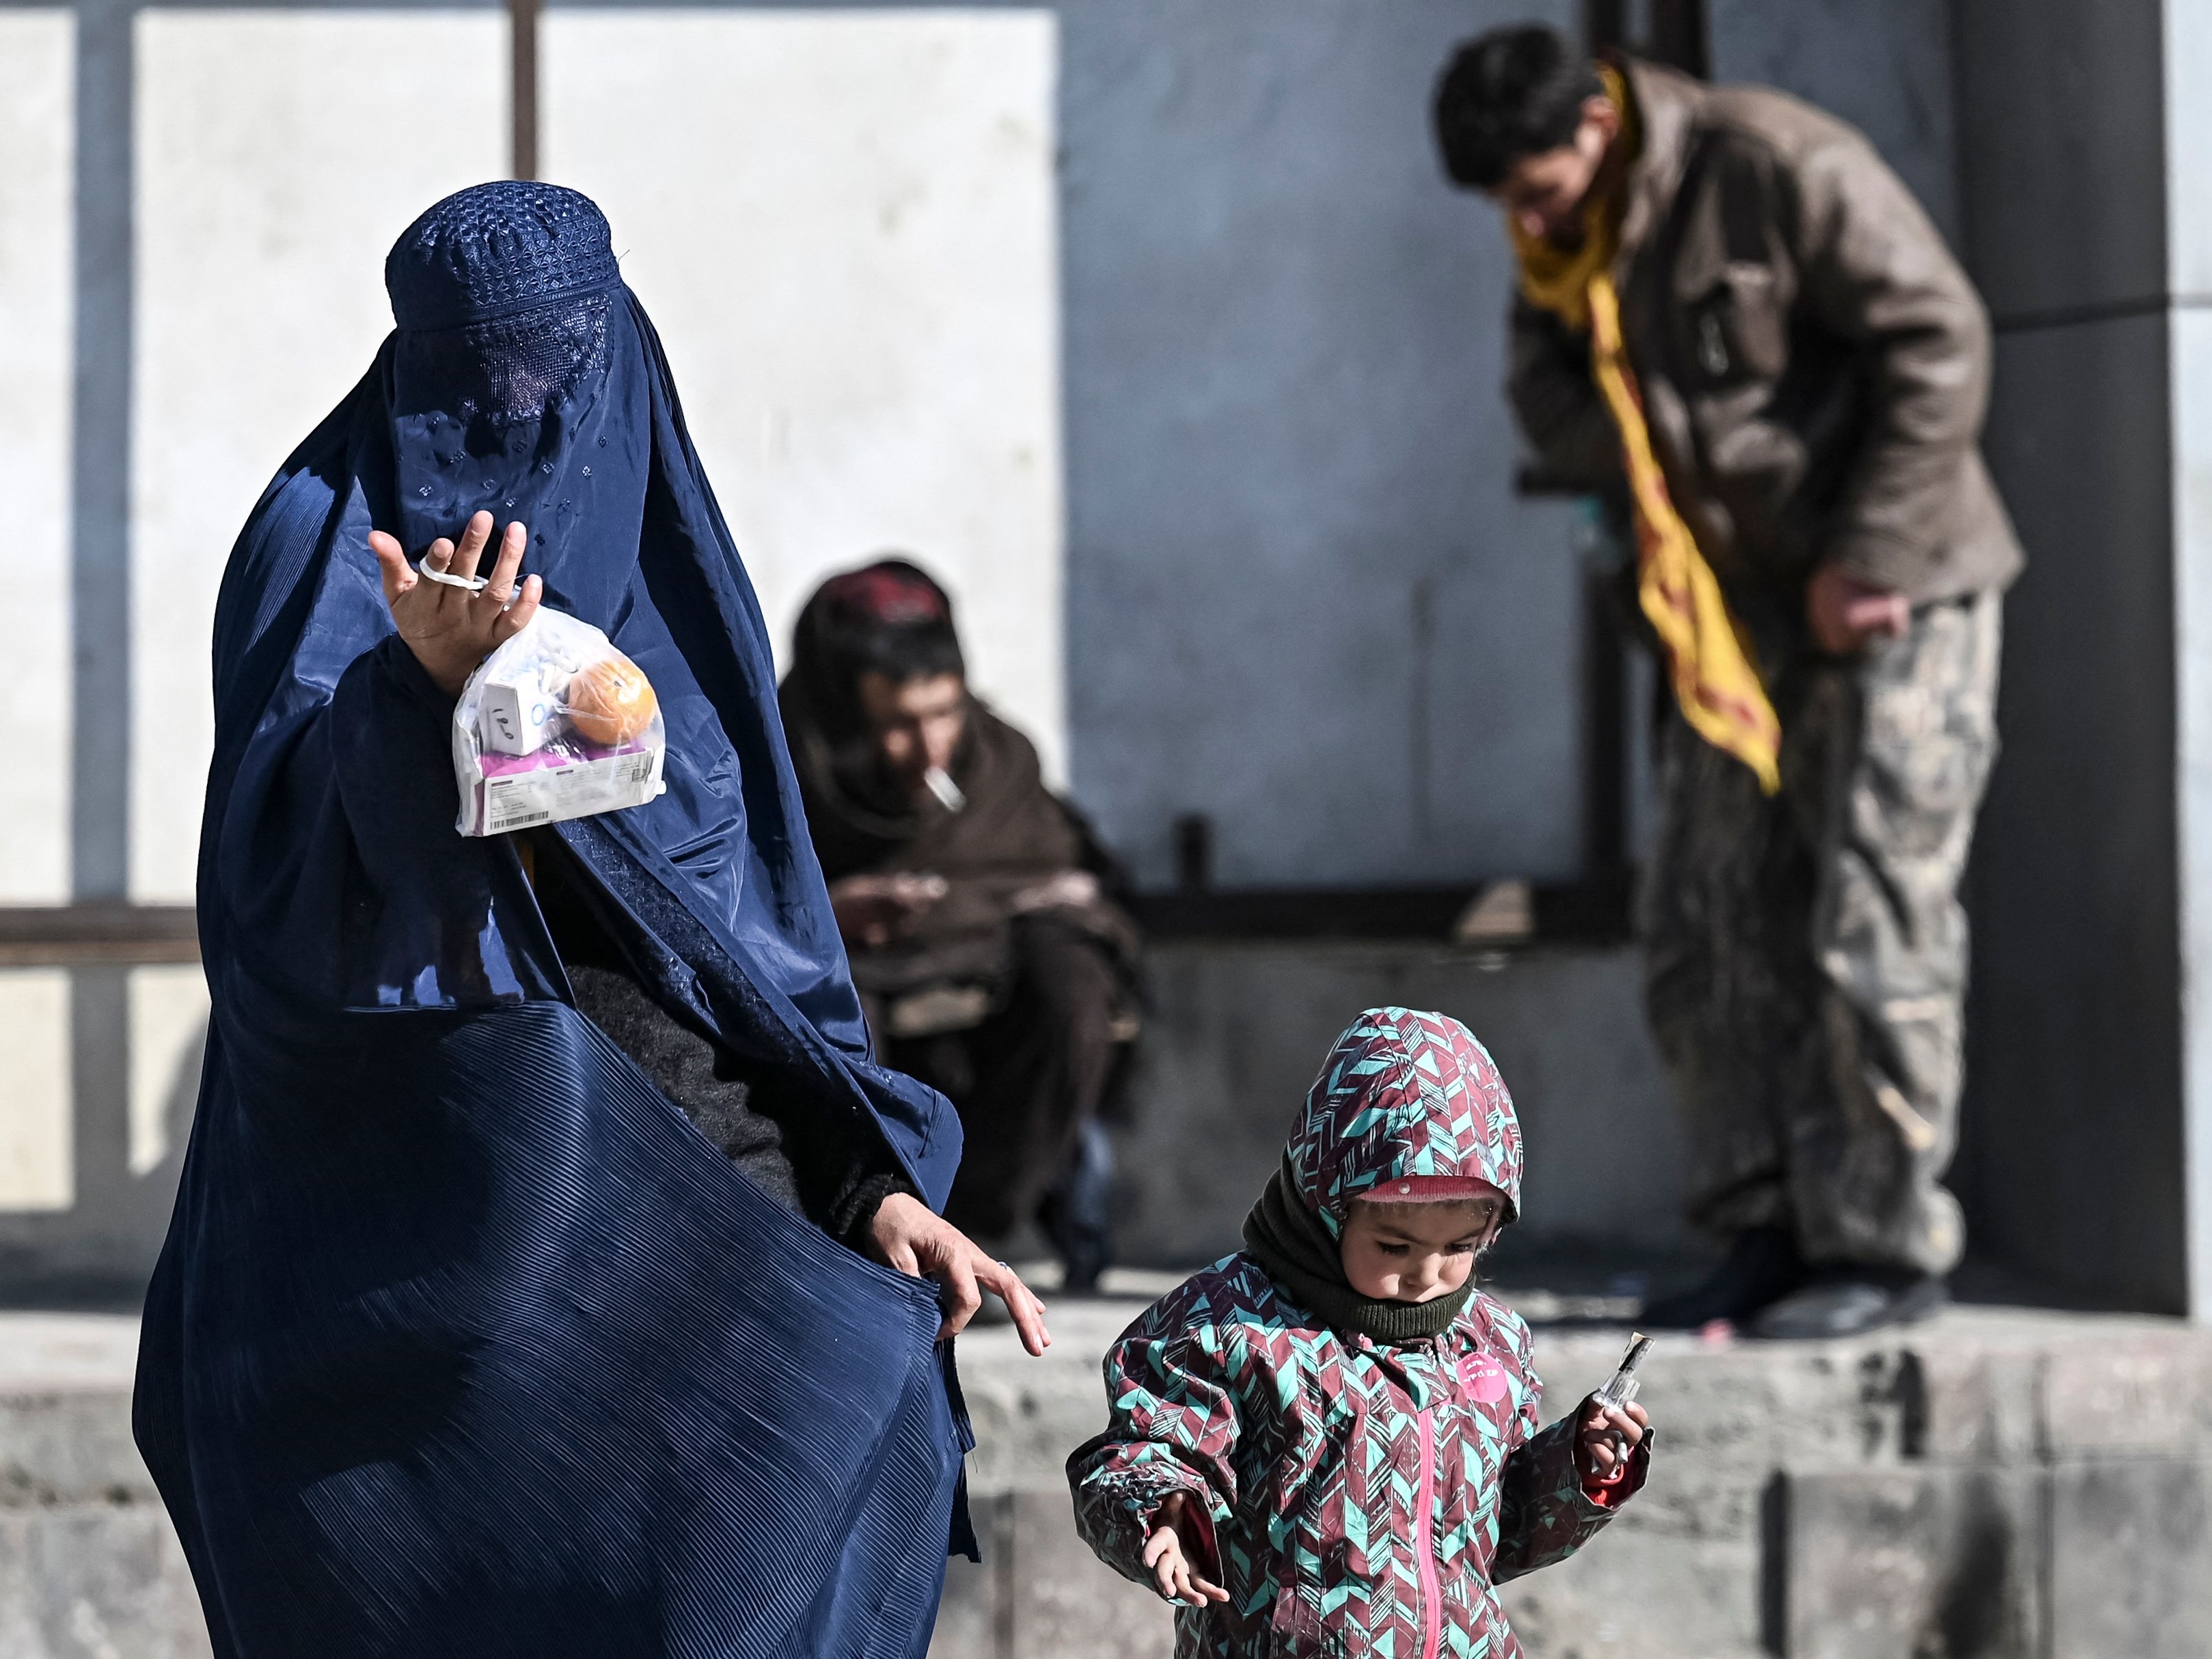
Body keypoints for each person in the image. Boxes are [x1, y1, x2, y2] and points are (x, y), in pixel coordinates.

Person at [132, 182, 1048, 1659]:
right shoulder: (321, 551)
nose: (524, 420)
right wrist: (409, 693)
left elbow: (745, 957)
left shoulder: (677, 590)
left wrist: (860, 1179)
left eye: (560, 369)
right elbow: (278, 919)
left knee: (817, 1471)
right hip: (402, 1266)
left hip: (694, 1226)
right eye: (475, 382)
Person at [1432, 27, 2022, 1338]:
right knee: (1704, 920)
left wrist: (1867, 551)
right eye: (1506, 206)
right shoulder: (1564, 251)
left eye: (1536, 189)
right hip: (1727, 618)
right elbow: (1547, 396)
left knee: (1872, 912)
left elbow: (1938, 338)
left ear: (1597, 122)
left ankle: (1880, 1243)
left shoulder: (1772, 163)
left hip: (1895, 591)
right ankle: (1758, 1228)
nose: (1524, 223)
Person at [1067, 1008, 1651, 1656]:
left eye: (1460, 1246)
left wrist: (1575, 1470)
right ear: (1323, 1206)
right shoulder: (1231, 1324)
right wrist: (1163, 1508)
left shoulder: (1489, 1342)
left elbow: (1497, 1535)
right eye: (1393, 1246)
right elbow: (1147, 1448)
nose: (1425, 1276)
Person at [778, 562, 1141, 1292]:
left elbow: (1053, 872)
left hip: (985, 960)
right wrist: (833, 908)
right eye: (897, 724)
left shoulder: (996, 760)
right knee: (835, 1020)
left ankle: (983, 1220)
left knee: (1071, 990)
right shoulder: (783, 764)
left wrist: (1002, 906)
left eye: (944, 712)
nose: (931, 746)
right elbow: (747, 890)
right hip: (858, 966)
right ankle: (868, 1231)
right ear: (846, 715)